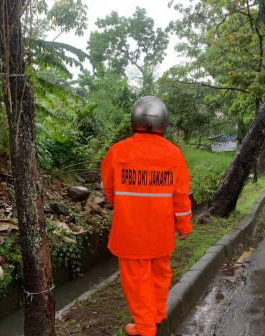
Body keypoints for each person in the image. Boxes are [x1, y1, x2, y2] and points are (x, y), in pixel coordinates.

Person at [101, 96, 192, 336]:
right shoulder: (173, 154)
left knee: (137, 281)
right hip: (161, 234)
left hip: (130, 234)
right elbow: (181, 195)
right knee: (160, 275)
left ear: (135, 119)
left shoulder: (117, 151)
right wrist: (183, 225)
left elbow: (110, 191)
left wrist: (125, 205)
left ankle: (144, 327)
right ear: (163, 122)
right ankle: (156, 316)